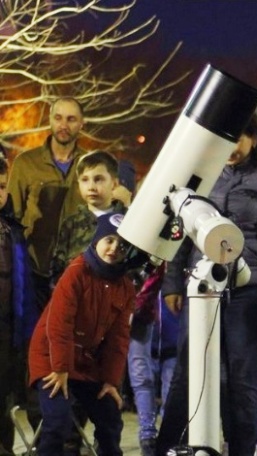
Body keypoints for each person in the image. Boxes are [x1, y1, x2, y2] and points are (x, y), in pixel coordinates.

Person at [156, 116, 257, 456]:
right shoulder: (202, 173)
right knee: (187, 372)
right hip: (201, 283)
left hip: (252, 289)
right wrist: (173, 281)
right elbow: (182, 229)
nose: (232, 148)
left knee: (242, 377)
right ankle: (166, 447)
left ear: (253, 138)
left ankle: (242, 448)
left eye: (240, 138)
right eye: (227, 140)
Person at [27, 213, 135, 456]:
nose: (114, 248)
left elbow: (119, 338)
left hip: (86, 363)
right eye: (109, 240)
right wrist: (61, 368)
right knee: (58, 422)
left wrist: (110, 380)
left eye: (122, 244)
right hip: (52, 360)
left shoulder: (126, 286)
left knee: (110, 419)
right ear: (96, 240)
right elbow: (59, 324)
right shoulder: (76, 272)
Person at [8, 96, 88, 313]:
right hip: (34, 269)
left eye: (71, 119)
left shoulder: (89, 166)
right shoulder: (26, 163)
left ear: (82, 123)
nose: (64, 125)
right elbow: (11, 216)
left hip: (76, 270)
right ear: (50, 120)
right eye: (58, 118)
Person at [0, 156, 36, 456]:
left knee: (3, 398)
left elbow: (22, 285)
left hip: (7, 329)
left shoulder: (13, 231)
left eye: (1, 186)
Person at [51, 150, 127, 284]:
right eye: (85, 180)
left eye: (98, 179)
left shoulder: (127, 222)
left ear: (114, 183)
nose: (91, 187)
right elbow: (58, 269)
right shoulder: (71, 223)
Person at [128, 263, 179, 456]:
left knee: (172, 381)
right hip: (141, 317)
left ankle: (168, 437)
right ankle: (147, 436)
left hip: (172, 318)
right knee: (141, 378)